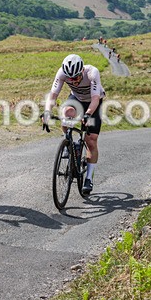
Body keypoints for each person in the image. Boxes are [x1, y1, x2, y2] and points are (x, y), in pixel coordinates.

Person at [42, 54, 105, 195]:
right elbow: (53, 95)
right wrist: (47, 112)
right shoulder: (62, 73)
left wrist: (88, 114)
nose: (73, 81)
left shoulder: (92, 73)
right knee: (66, 112)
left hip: (94, 102)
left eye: (76, 77)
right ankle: (68, 141)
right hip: (76, 98)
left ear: (81, 71)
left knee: (91, 140)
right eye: (70, 79)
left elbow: (95, 99)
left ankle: (89, 178)